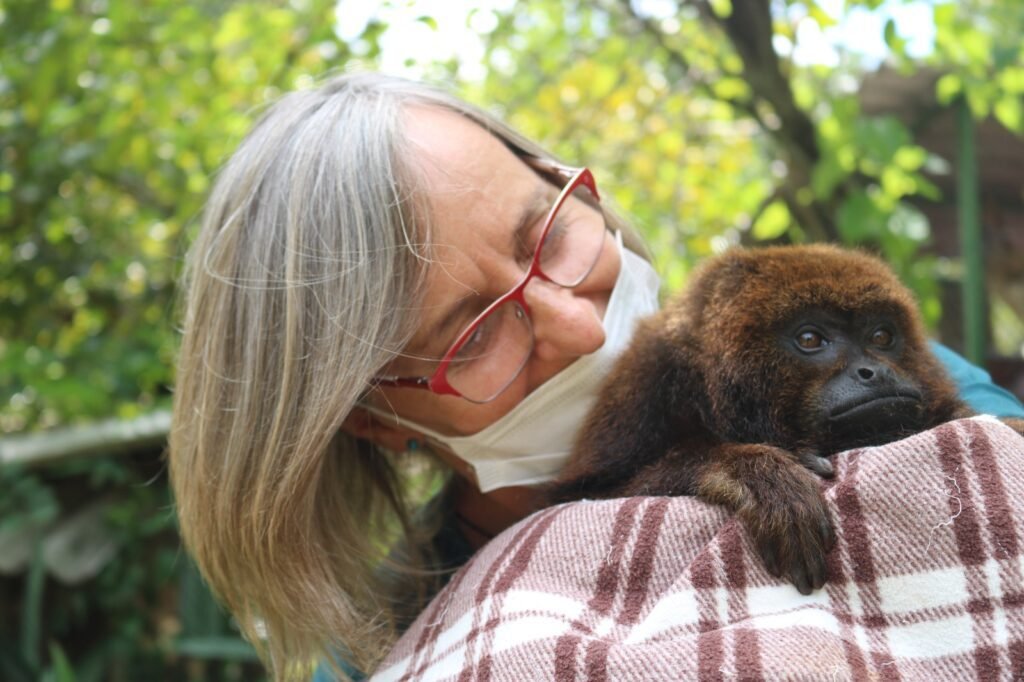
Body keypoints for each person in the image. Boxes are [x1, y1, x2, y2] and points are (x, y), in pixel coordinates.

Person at [168, 72, 1024, 681]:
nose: (575, 324)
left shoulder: (916, 390)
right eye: (470, 334)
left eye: (550, 233)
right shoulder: (386, 646)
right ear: (376, 419)